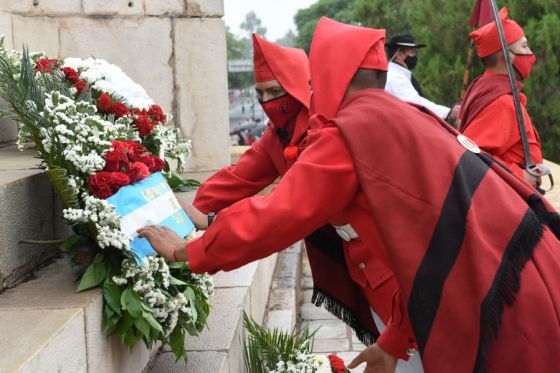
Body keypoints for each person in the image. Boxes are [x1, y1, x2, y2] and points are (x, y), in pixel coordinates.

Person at [139, 17, 560, 373]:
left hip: (492, 292)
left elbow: (276, 215)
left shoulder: (350, 133)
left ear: (327, 73)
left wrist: (185, 253)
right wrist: (394, 342)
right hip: (519, 268)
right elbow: (426, 244)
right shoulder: (399, 114)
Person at [187, 32, 418, 366]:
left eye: (275, 92)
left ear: (299, 87)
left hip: (386, 259)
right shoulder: (278, 135)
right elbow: (240, 176)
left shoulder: (329, 133)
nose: (267, 102)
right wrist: (194, 210)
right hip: (363, 263)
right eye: (260, 93)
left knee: (413, 349)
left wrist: (191, 248)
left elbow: (283, 209)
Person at [459, 7, 542, 188]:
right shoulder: (501, 102)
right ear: (506, 56)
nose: (530, 53)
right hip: (510, 202)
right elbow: (470, 160)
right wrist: (520, 175)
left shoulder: (485, 85)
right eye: (524, 46)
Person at [385, 33, 459, 121]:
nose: (415, 56)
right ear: (400, 55)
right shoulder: (395, 77)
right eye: (412, 52)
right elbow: (415, 103)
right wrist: (448, 113)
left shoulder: (398, 74)